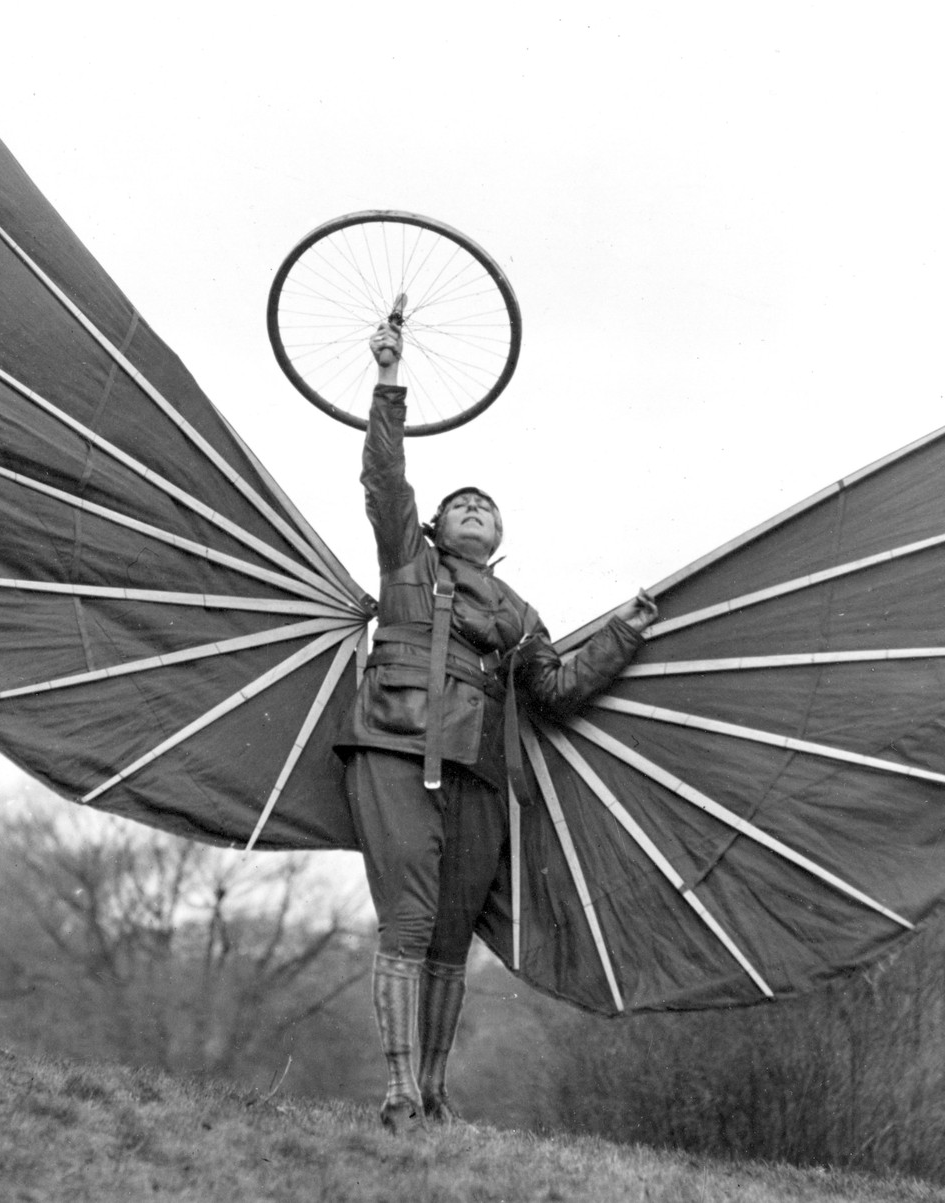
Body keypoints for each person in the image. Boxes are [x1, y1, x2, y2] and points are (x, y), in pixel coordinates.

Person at [335, 321, 658, 1131]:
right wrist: (388, 378)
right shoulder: (409, 561)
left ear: (500, 537)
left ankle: (436, 1094)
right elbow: (386, 479)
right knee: (408, 919)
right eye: (460, 504)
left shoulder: (521, 612)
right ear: (438, 528)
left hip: (479, 772)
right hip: (396, 744)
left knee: (449, 936)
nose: (474, 509)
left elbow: (554, 689)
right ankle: (399, 1090)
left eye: (488, 507)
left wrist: (622, 629)